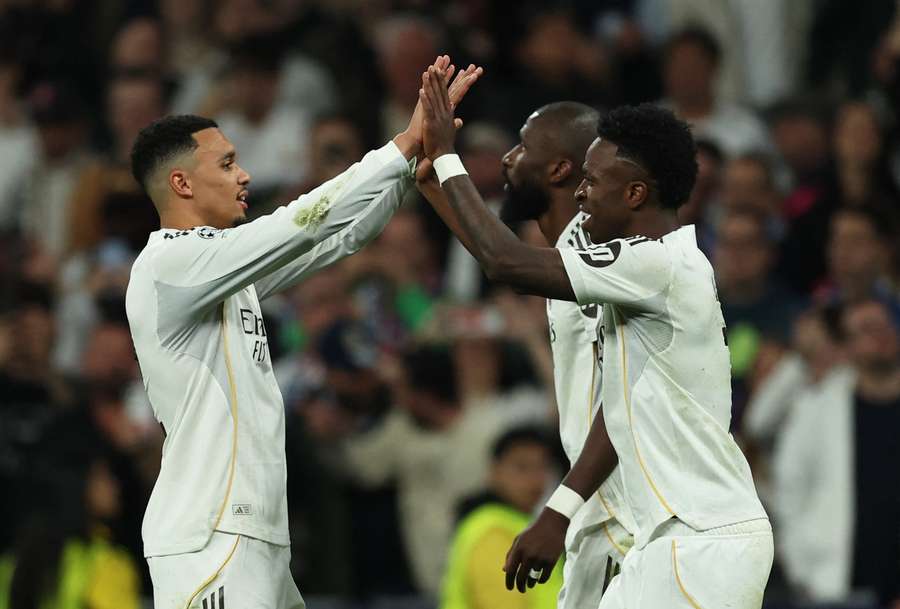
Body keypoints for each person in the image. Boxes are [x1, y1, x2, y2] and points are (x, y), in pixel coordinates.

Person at [125, 56, 480, 608]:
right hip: (211, 534)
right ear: (181, 182)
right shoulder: (169, 265)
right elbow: (300, 222)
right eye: (227, 163)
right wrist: (403, 144)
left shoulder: (223, 275)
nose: (244, 175)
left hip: (255, 534)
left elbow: (336, 240)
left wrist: (409, 170)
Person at [417, 67, 772, 608]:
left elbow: (507, 262)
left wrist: (447, 156)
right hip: (664, 536)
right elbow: (618, 402)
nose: (581, 193)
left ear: (634, 193)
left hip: (695, 535)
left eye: (593, 180)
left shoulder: (658, 266)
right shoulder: (634, 271)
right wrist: (432, 181)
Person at [418, 101, 635, 609]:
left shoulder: (607, 258)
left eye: (521, 147)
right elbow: (501, 257)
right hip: (601, 514)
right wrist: (432, 181)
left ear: (558, 169)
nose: (508, 159)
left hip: (634, 518)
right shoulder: (569, 254)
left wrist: (448, 160)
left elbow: (625, 403)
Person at [773, 299, 900, 606]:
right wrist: (802, 568)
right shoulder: (816, 408)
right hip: (838, 587)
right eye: (866, 329)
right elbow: (790, 491)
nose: (880, 335)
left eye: (884, 325)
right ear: (848, 346)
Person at [441, 426, 563, 609]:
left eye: (542, 467)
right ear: (495, 471)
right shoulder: (493, 531)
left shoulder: (522, 523)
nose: (535, 479)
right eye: (522, 467)